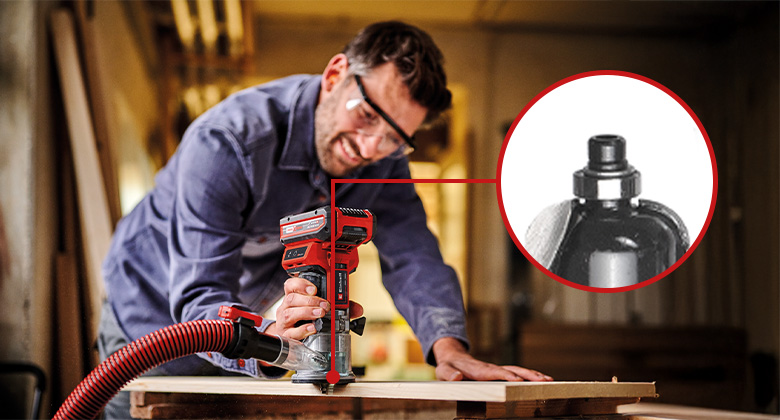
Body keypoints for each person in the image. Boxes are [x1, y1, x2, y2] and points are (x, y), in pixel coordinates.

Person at [98, 20, 551, 418]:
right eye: (367, 115)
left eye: (395, 138)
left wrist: (448, 349)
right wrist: (268, 342)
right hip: (149, 320)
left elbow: (414, 253)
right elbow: (199, 295)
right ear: (335, 76)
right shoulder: (229, 143)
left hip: (244, 335)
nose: (371, 148)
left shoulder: (381, 159)